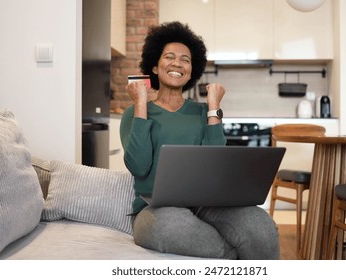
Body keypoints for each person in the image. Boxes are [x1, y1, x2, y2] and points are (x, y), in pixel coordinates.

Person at [120, 21, 279, 259]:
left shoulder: (203, 112)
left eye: (186, 59)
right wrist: (141, 103)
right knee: (170, 228)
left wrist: (213, 106)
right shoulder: (134, 113)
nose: (177, 63)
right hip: (155, 210)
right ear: (154, 66)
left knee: (260, 225)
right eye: (169, 57)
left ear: (192, 70)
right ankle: (235, 262)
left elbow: (216, 163)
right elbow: (139, 166)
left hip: (207, 205)